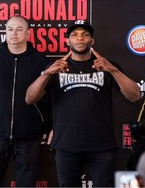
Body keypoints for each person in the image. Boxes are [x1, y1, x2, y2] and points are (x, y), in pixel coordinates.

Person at [25, 20, 141, 187]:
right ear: (67, 41)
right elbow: (30, 99)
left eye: (85, 35)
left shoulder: (106, 66)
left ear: (92, 41)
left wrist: (113, 70)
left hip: (102, 146)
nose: (80, 38)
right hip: (66, 146)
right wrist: (47, 74)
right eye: (75, 35)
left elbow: (135, 96)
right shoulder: (56, 68)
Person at [0, 16, 50, 187]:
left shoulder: (41, 61)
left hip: (29, 135)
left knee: (26, 183)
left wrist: (50, 126)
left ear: (28, 34)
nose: (14, 33)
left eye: (19, 29)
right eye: (10, 29)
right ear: (5, 33)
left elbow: (50, 98)